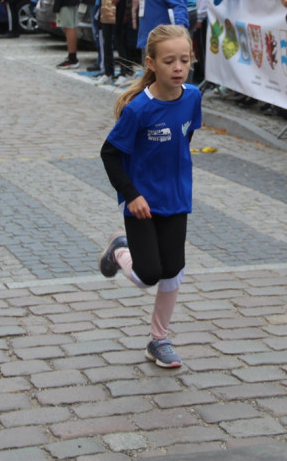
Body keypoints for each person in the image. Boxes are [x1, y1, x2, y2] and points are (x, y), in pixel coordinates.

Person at [98, 24, 203, 369]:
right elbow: (110, 154)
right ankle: (119, 250)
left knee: (173, 271)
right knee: (147, 276)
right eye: (169, 60)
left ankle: (159, 340)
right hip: (141, 203)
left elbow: (183, 139)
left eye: (184, 60)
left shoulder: (192, 97)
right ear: (151, 64)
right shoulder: (138, 110)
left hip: (176, 200)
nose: (178, 67)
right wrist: (131, 195)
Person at [96, 0, 123, 84]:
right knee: (107, 45)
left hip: (116, 18)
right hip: (105, 18)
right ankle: (108, 71)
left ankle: (125, 70)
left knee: (120, 44)